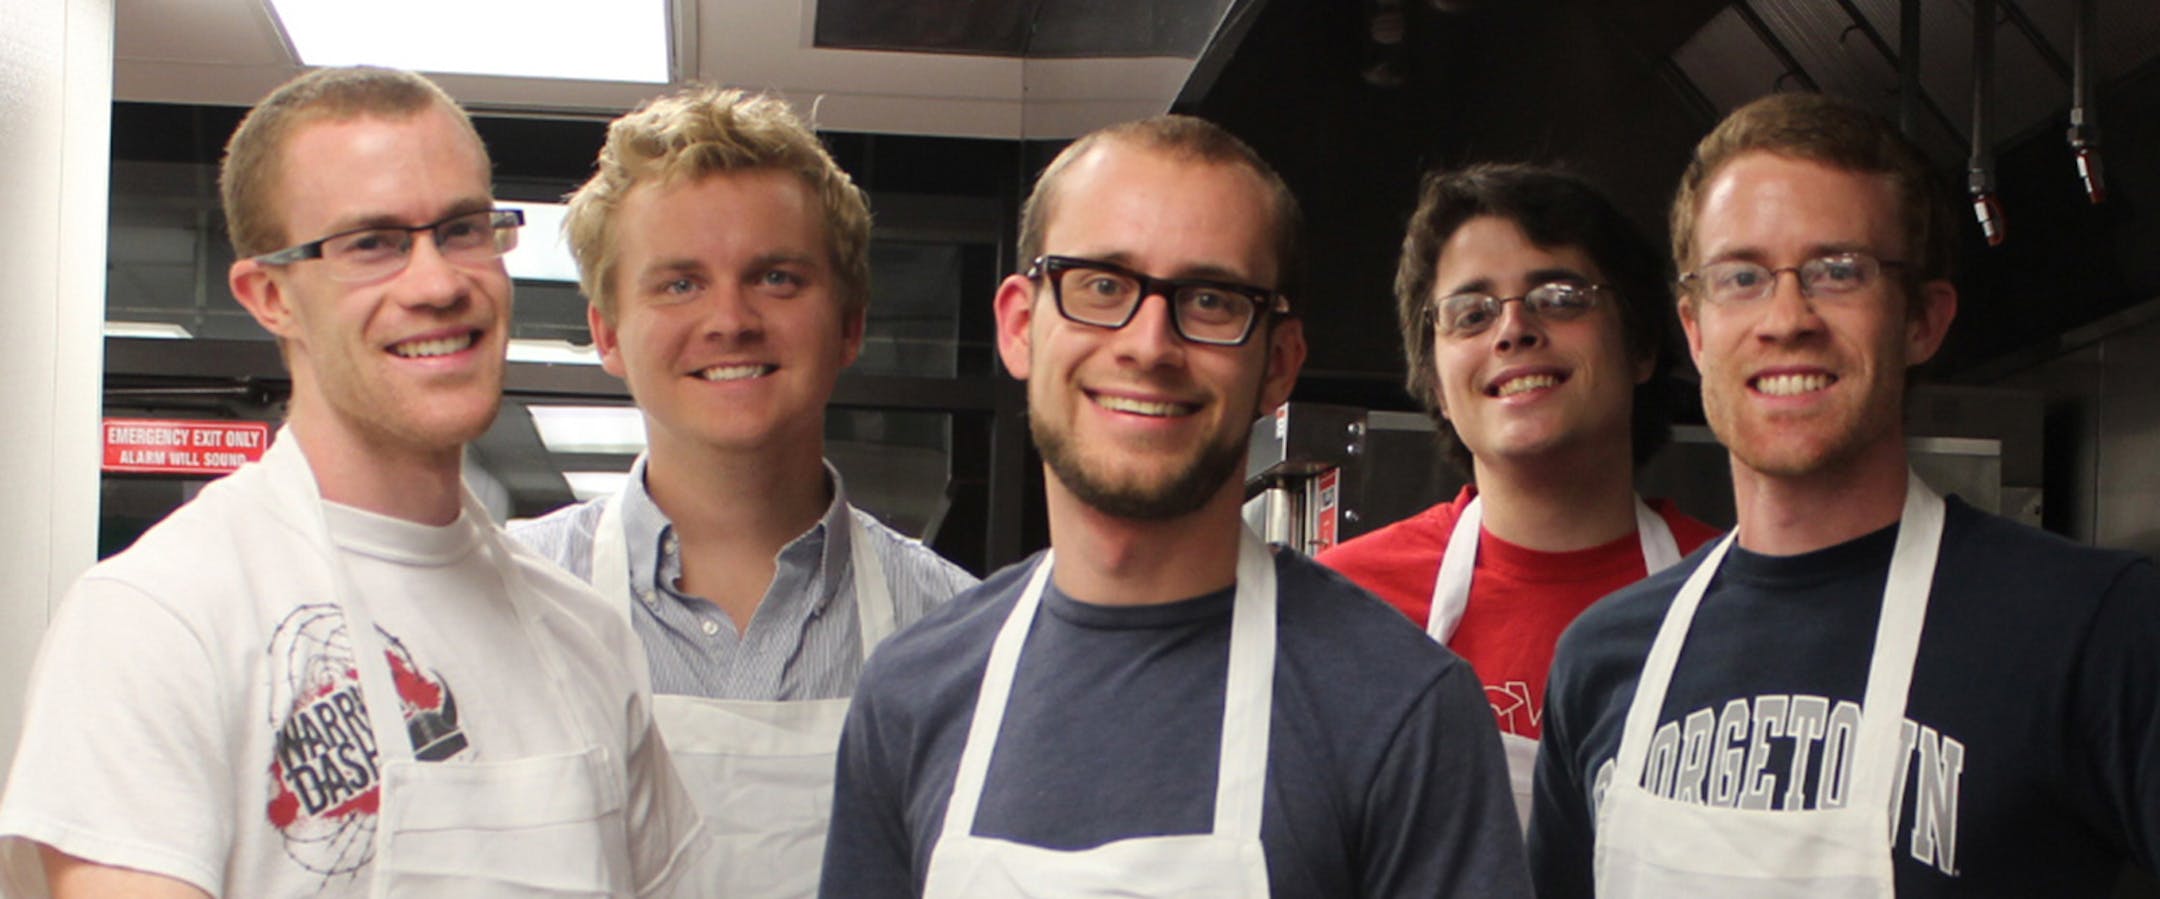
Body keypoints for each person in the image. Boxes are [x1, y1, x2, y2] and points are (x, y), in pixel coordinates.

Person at [0, 67, 705, 897]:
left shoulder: (583, 633)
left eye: (463, 229)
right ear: (270, 295)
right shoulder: (161, 619)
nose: (438, 283)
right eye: (372, 243)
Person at [819, 115, 1532, 898]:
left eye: (1211, 300)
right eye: (1101, 285)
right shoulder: (909, 695)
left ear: (1279, 363)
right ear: (1020, 326)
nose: (1149, 344)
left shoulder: (1405, 711)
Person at [1530, 91, 2160, 896]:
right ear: (1695, 327)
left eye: (1838, 271)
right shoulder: (1603, 657)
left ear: (1923, 320)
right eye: (1742, 277)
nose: (1786, 317)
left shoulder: (2095, 628)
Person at [508, 86, 977, 897]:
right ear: (608, 333)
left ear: (850, 325)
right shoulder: (512, 601)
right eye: (679, 284)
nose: (730, 319)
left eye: (777, 278)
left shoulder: (956, 631)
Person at [1318, 163, 1720, 825]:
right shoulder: (1340, 608)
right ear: (1436, 382)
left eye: (1560, 297)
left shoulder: (1732, 595)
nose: (1513, 329)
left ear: (1642, 345)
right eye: (1471, 313)